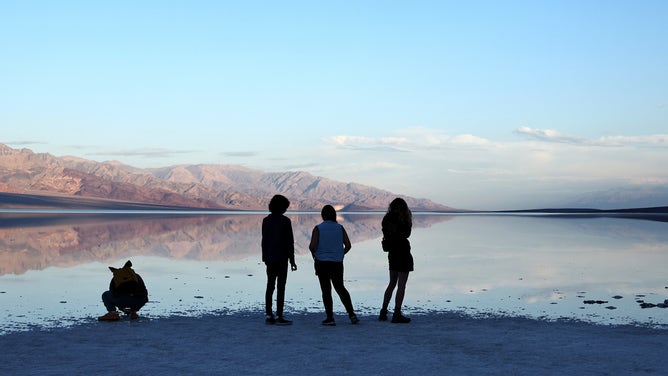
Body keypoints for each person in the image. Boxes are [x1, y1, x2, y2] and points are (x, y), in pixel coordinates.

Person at [309, 205, 359, 326]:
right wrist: (340, 254)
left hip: (322, 263)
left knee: (326, 290)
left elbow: (312, 246)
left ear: (323, 215)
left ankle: (330, 317)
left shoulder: (318, 228)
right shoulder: (340, 228)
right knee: (340, 288)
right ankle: (351, 314)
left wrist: (315, 254)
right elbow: (348, 245)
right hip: (337, 263)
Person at [262, 194, 297, 325]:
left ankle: (269, 314)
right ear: (281, 207)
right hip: (282, 258)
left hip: (270, 258)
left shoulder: (266, 220)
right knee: (281, 287)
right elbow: (290, 242)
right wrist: (292, 260)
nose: (286, 210)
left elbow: (264, 241)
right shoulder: (285, 221)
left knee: (270, 285)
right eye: (285, 207)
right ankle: (279, 315)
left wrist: (264, 257)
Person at [379, 198, 413, 323]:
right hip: (403, 252)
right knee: (401, 285)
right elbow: (406, 234)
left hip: (392, 253)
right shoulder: (404, 219)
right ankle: (397, 313)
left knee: (392, 283)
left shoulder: (386, 219)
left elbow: (387, 234)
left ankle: (383, 311)